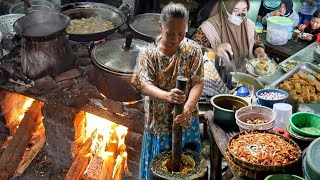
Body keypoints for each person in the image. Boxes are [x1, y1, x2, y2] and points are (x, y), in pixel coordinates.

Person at [131, 3, 204, 179]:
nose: (175, 38)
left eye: (181, 34)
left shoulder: (193, 51)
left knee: (187, 165)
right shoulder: (149, 53)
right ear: (161, 26)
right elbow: (144, 84)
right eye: (170, 33)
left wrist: (187, 108)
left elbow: (197, 83)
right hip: (160, 121)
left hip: (185, 119)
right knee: (159, 168)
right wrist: (167, 96)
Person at [192, 0, 267, 71]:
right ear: (226, 8)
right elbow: (191, 51)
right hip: (219, 78)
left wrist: (259, 51)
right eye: (235, 10)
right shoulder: (209, 28)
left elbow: (256, 42)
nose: (240, 14)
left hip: (247, 75)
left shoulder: (249, 25)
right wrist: (213, 51)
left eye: (244, 10)